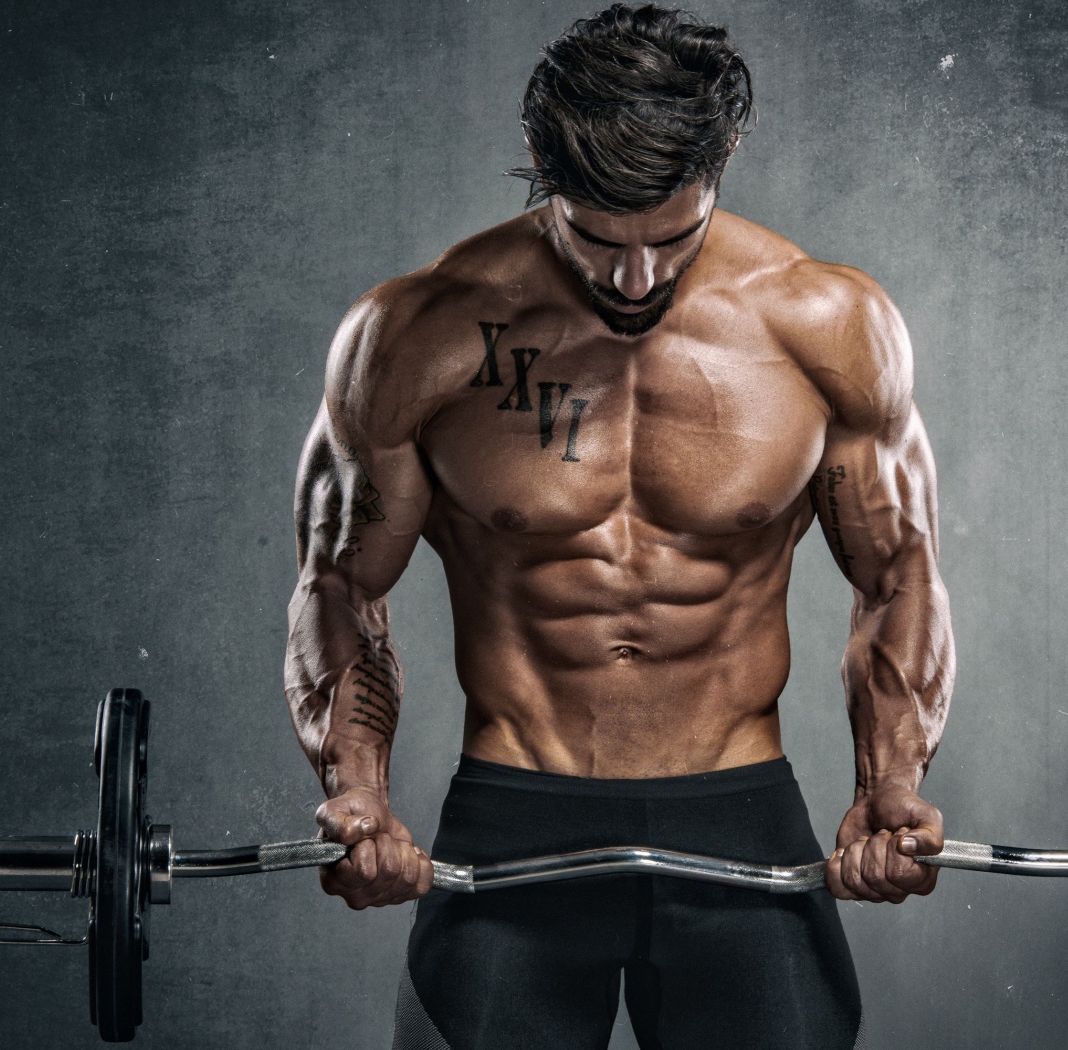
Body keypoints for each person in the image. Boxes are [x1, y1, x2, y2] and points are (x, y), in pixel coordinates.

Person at [285, 5, 954, 1048]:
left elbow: (897, 574)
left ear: (721, 165)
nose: (633, 281)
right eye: (597, 241)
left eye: (671, 239)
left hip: (738, 816)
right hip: (515, 818)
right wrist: (358, 793)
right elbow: (340, 584)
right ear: (543, 178)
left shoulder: (825, 325)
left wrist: (890, 786)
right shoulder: (416, 334)